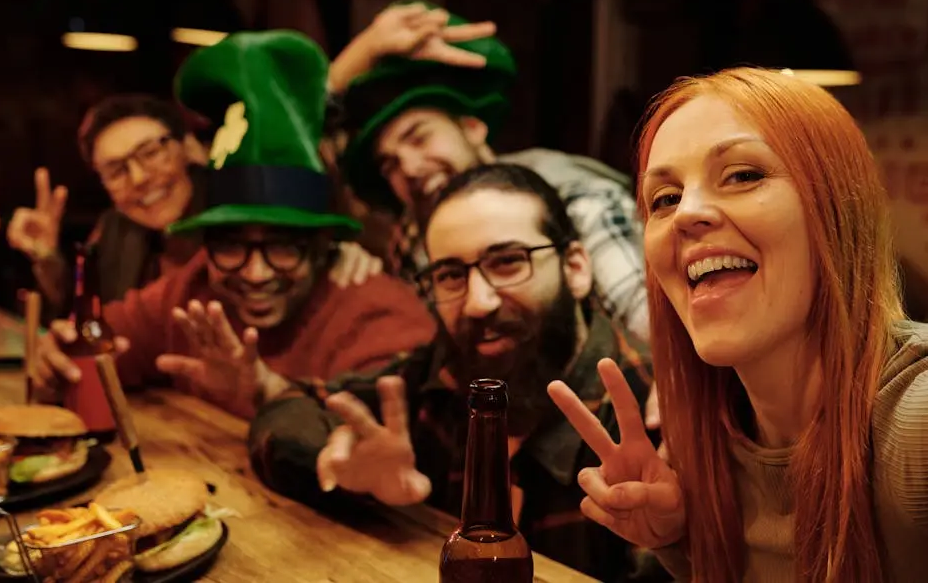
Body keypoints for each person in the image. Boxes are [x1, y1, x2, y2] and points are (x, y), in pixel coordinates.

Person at [547, 67, 928, 582]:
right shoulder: (710, 438)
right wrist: (678, 539)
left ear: (836, 210)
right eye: (665, 198)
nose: (687, 213)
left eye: (742, 175)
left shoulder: (925, 412)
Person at [247, 164, 669, 582]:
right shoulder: (441, 373)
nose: (477, 302)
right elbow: (287, 411)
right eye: (450, 275)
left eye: (507, 262)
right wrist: (335, 463)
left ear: (575, 268)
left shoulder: (651, 409)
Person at [28, 31, 436, 420]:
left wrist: (269, 393)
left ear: (322, 244)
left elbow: (383, 439)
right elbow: (100, 342)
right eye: (231, 246)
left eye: (284, 247)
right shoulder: (190, 289)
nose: (255, 273)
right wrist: (59, 357)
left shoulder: (380, 315)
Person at [329, 0, 651, 348]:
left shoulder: (575, 198)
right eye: (389, 164)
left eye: (419, 137)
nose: (408, 168)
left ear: (472, 127)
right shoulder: (413, 237)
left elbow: (650, 321)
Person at [8, 96, 380, 321]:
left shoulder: (241, 209)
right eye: (116, 170)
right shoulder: (116, 229)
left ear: (188, 147)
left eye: (150, 153)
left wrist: (336, 253)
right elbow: (88, 321)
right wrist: (48, 259)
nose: (139, 177)